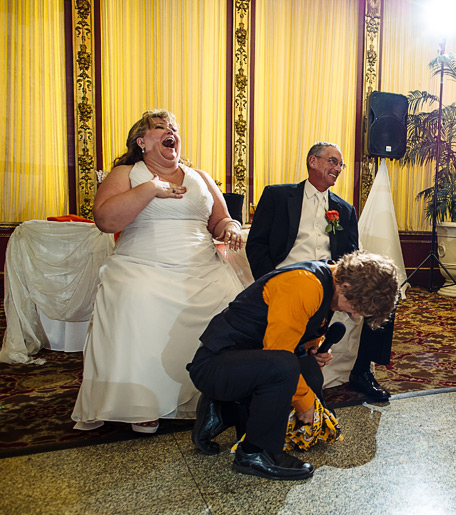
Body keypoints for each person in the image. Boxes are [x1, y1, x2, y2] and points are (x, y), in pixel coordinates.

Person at [72, 109, 245, 433]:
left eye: (174, 128)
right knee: (134, 294)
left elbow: (220, 220)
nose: (171, 132)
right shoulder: (126, 174)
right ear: (142, 141)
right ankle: (141, 402)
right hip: (142, 263)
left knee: (232, 299)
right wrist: (149, 189)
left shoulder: (200, 177)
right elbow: (106, 221)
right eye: (160, 127)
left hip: (201, 265)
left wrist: (230, 227)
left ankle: (215, 395)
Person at [187, 251, 399, 480]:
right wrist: (305, 403)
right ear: (346, 285)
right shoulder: (304, 285)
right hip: (214, 366)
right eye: (355, 307)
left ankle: (223, 410)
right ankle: (254, 453)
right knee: (285, 368)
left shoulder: (328, 283)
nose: (354, 314)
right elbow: (277, 354)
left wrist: (312, 351)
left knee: (309, 373)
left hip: (244, 364)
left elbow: (295, 333)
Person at [247, 141, 394, 401]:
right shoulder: (278, 196)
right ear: (312, 161)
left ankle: (362, 373)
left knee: (382, 298)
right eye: (332, 161)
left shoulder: (345, 209)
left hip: (331, 282)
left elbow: (350, 255)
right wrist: (268, 280)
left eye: (341, 164)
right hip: (288, 279)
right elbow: (256, 244)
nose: (338, 168)